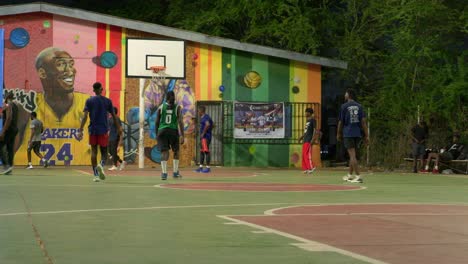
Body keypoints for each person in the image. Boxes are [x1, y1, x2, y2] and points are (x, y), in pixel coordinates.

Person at [16, 47, 90, 165]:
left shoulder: (87, 102)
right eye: (61, 64)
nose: (71, 71)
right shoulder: (28, 105)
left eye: (71, 64)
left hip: (80, 167)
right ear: (42, 73)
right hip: (36, 176)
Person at [77, 82, 122, 182]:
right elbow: (114, 116)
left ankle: (96, 175)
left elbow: (84, 117)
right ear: (101, 89)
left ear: (93, 90)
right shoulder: (107, 101)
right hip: (103, 130)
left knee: (94, 151)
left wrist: (80, 129)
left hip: (92, 129)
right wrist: (119, 127)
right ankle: (101, 165)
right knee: (104, 153)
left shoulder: (89, 100)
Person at [337, 88, 369, 183]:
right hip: (357, 133)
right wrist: (367, 135)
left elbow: (340, 122)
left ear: (348, 95)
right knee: (353, 155)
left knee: (352, 155)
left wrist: (338, 133)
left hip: (348, 133)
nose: (344, 95)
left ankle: (358, 176)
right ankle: (350, 175)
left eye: (345, 94)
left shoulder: (344, 106)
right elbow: (363, 122)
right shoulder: (359, 106)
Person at [155, 91, 184, 180]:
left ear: (166, 97)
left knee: (164, 153)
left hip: (162, 131)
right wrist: (182, 135)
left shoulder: (161, 107)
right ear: (174, 97)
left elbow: (156, 122)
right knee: (176, 152)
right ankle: (175, 173)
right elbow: (180, 121)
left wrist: (157, 134)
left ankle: (164, 174)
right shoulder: (177, 107)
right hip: (173, 131)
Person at [0, 92, 19, 175]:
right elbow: (3, 115)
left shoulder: (8, 105)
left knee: (0, 144)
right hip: (14, 129)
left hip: (9, 129)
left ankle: (6, 166)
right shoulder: (15, 106)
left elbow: (8, 118)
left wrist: (3, 131)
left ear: (7, 97)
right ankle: (10, 166)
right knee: (9, 148)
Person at [298, 108, 317, 174]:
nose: (305, 113)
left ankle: (311, 167)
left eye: (306, 112)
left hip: (309, 139)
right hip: (305, 139)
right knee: (303, 155)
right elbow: (306, 131)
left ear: (309, 113)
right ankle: (305, 168)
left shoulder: (313, 120)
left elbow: (314, 130)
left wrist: (313, 138)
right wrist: (301, 137)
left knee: (307, 154)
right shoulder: (307, 121)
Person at [195, 106, 213, 173]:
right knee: (202, 151)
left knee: (206, 151)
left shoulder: (205, 117)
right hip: (204, 138)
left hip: (205, 137)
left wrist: (203, 133)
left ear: (201, 111)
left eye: (198, 111)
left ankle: (208, 168)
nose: (198, 112)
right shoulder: (205, 117)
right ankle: (200, 167)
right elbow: (212, 124)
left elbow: (208, 124)